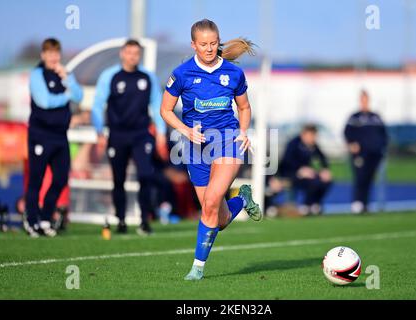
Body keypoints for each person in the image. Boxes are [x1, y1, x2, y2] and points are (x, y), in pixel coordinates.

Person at [160, 19, 262, 280]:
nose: (209, 48)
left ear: (219, 42)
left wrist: (243, 132)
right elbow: (166, 110)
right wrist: (185, 130)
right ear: (193, 44)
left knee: (211, 203)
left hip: (227, 140)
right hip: (195, 147)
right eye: (203, 44)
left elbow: (244, 108)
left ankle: (197, 268)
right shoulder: (181, 74)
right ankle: (243, 199)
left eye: (213, 43)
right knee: (218, 218)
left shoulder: (234, 74)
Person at [91, 39, 167, 235]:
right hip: (117, 135)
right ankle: (121, 220)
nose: (132, 56)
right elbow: (98, 105)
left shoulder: (147, 77)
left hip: (141, 134)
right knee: (118, 179)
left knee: (145, 175)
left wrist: (160, 133)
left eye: (136, 53)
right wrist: (99, 131)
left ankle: (144, 220)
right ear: (122, 54)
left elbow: (158, 106)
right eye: (129, 53)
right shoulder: (110, 76)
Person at [25, 38, 83, 238]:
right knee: (36, 179)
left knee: (60, 178)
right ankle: (31, 220)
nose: (53, 57)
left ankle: (45, 218)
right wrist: (66, 95)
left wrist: (67, 78)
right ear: (43, 55)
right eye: (49, 53)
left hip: (60, 135)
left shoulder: (64, 74)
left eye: (56, 53)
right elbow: (45, 101)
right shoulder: (37, 74)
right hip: (41, 135)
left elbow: (78, 95)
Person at [344, 90, 388, 213]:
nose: (364, 102)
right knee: (360, 177)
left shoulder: (375, 117)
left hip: (374, 154)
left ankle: (365, 204)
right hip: (360, 154)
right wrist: (351, 144)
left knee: (369, 178)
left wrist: (382, 147)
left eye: (366, 99)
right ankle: (357, 203)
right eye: (362, 99)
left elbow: (383, 134)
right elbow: (347, 133)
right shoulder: (355, 117)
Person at [279, 124, 332, 215]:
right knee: (312, 182)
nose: (313, 138)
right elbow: (287, 161)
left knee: (325, 181)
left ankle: (315, 204)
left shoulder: (313, 145)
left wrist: (324, 169)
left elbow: (322, 158)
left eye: (314, 136)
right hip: (290, 173)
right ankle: (306, 205)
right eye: (311, 135)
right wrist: (300, 170)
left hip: (307, 173)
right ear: (304, 135)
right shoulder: (293, 144)